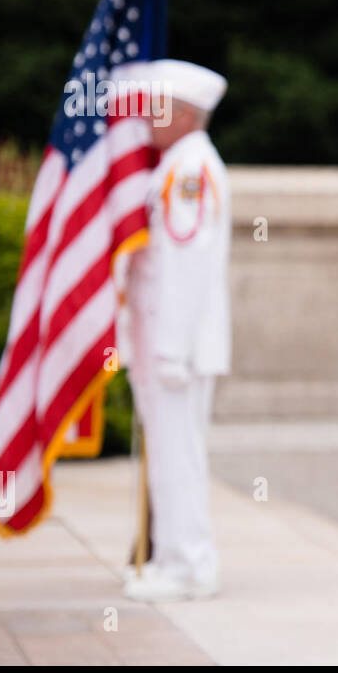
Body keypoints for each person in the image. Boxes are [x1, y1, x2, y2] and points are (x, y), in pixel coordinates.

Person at [112, 58, 231, 603]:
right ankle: (172, 558)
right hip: (163, 343)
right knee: (168, 454)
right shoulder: (178, 164)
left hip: (175, 348)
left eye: (159, 107)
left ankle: (190, 566)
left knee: (177, 456)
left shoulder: (188, 170)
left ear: (185, 113)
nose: (149, 118)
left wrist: (170, 351)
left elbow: (186, 267)